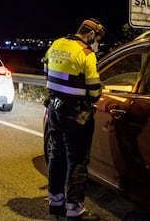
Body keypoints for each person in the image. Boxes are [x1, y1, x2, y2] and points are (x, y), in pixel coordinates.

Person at [42, 18, 105, 220]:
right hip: (75, 115)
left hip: (54, 107)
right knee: (77, 160)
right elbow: (95, 92)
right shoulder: (86, 53)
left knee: (56, 155)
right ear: (91, 34)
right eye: (97, 39)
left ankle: (55, 201)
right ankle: (74, 209)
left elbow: (47, 73)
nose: (97, 43)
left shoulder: (57, 44)